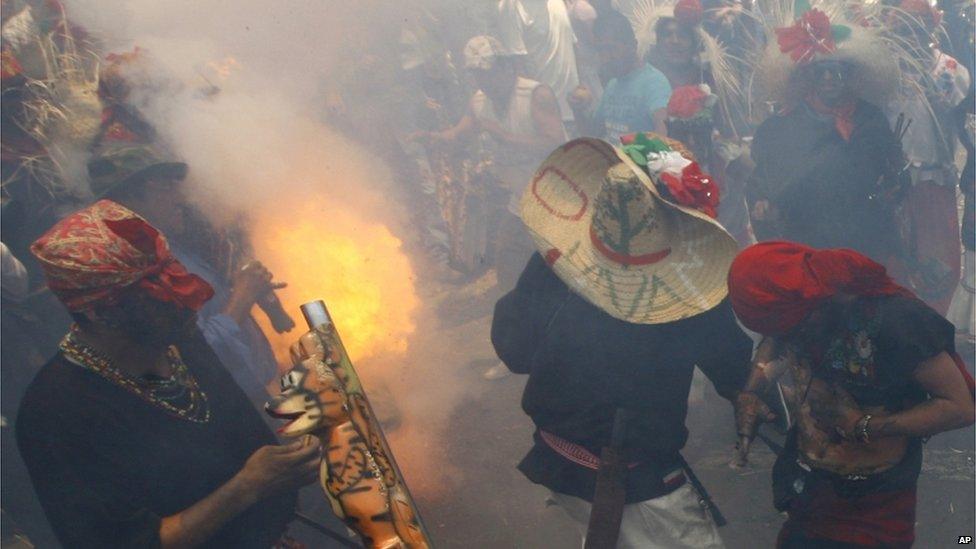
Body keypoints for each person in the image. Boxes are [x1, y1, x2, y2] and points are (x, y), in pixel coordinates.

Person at [492, 135, 751, 547]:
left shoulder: (556, 258)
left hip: (558, 454)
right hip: (628, 477)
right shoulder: (689, 286)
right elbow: (734, 368)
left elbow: (514, 349)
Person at [18, 200, 319, 547]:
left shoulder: (179, 338)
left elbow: (248, 440)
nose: (188, 300)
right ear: (101, 313)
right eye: (156, 292)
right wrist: (247, 487)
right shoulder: (56, 414)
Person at [730, 241, 975, 548]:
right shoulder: (800, 311)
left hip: (875, 507)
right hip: (809, 492)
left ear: (811, 301)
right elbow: (777, 333)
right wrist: (752, 391)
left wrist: (862, 425)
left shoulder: (897, 319)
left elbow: (960, 407)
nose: (792, 335)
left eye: (794, 325)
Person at [86, 144, 285, 407]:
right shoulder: (137, 274)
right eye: (165, 188)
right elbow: (198, 354)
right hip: (233, 405)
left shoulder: (169, 246)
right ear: (128, 202)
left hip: (257, 389)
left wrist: (251, 291)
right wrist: (243, 295)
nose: (180, 197)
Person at [748, 7, 907, 275]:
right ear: (809, 76)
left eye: (837, 71)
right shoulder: (782, 125)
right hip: (806, 238)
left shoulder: (870, 118)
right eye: (821, 71)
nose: (829, 78)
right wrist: (762, 199)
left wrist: (893, 187)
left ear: (850, 75)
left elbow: (892, 170)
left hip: (862, 239)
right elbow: (763, 175)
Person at [883, 0, 971, 314]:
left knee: (940, 260)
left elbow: (954, 109)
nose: (911, 35)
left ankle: (937, 319)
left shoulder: (947, 69)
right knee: (899, 256)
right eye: (903, 28)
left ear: (929, 29)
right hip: (896, 184)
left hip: (934, 179)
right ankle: (904, 318)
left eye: (917, 27)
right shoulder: (882, 74)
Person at [666, 85, 754, 247]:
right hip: (696, 249)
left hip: (733, 244)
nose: (691, 142)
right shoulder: (665, 166)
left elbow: (755, 171)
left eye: (698, 133)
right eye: (683, 134)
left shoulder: (728, 156)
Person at [569, 10, 672, 142]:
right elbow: (593, 135)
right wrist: (578, 110)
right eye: (601, 50)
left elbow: (664, 137)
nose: (605, 58)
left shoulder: (654, 83)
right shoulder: (613, 85)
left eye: (611, 49)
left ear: (632, 46)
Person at [495, 0, 581, 125]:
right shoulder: (511, 6)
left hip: (577, 109)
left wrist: (581, 88)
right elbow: (517, 66)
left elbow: (572, 46)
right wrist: (539, 114)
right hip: (549, 118)